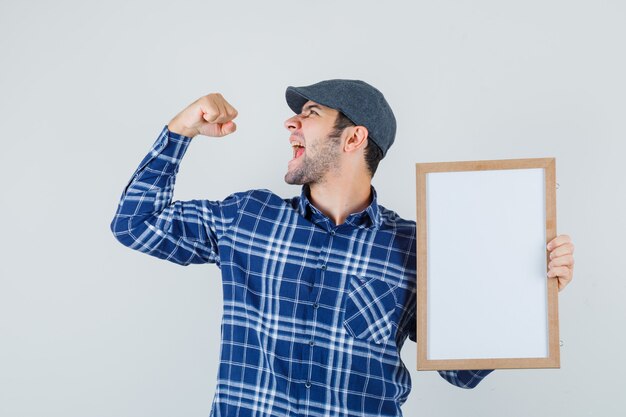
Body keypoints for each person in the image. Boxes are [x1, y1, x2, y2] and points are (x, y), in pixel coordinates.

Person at [110, 79, 575, 417]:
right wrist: (182, 128)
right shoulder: (247, 219)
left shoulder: (416, 248)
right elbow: (135, 223)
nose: (291, 121)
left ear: (354, 137)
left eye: (310, 113)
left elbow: (462, 373)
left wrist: (533, 285)